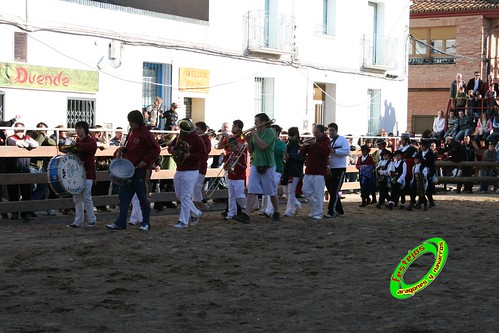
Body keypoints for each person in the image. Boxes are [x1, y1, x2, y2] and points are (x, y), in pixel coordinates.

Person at [106, 110, 161, 231]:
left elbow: (156, 149)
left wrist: (145, 161)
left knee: (142, 197)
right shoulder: (132, 132)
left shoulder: (145, 133)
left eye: (132, 122)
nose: (130, 124)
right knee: (124, 197)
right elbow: (129, 148)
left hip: (141, 170)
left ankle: (145, 222)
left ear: (137, 121)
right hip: (129, 169)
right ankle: (121, 222)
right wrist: (122, 151)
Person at [234, 113, 278, 223]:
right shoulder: (256, 133)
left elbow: (264, 146)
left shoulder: (270, 132)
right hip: (256, 163)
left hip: (268, 165)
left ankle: (276, 211)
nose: (255, 124)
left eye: (257, 122)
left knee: (271, 191)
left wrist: (255, 135)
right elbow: (252, 150)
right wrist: (249, 140)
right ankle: (247, 214)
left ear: (263, 122)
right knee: (251, 190)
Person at [168, 118, 206, 229]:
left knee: (185, 196)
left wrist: (190, 156)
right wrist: (172, 149)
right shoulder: (180, 137)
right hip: (180, 168)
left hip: (191, 170)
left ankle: (183, 221)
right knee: (180, 195)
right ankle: (196, 212)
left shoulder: (198, 140)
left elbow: (203, 156)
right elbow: (171, 147)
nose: (182, 131)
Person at [66, 121, 98, 228]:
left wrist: (77, 145)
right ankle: (78, 221)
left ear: (85, 129)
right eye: (76, 128)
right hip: (78, 174)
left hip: (88, 173)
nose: (77, 130)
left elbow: (90, 148)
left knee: (86, 196)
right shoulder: (78, 141)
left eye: (79, 128)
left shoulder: (91, 141)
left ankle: (92, 219)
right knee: (77, 197)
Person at [6, 122, 39, 220]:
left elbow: (36, 144)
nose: (17, 131)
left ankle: (26, 212)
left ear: (23, 130)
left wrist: (26, 143)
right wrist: (27, 144)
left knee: (26, 191)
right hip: (13, 167)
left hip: (25, 167)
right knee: (13, 191)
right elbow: (17, 143)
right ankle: (14, 212)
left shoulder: (27, 137)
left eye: (20, 130)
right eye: (16, 129)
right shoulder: (11, 137)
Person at [300, 124, 331, 220]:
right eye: (314, 132)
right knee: (305, 190)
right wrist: (305, 145)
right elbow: (302, 153)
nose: (315, 134)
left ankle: (318, 212)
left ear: (322, 133)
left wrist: (315, 144)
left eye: (317, 132)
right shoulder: (313, 141)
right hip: (309, 170)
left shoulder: (326, 141)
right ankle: (315, 208)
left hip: (320, 172)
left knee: (319, 193)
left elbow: (326, 152)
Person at [324, 123, 350, 218]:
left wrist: (335, 151)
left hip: (339, 167)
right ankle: (339, 210)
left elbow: (347, 151)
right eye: (329, 130)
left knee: (335, 190)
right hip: (330, 168)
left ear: (336, 130)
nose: (330, 132)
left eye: (332, 130)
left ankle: (331, 211)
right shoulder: (327, 140)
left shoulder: (342, 140)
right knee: (331, 189)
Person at [261, 124, 286, 218]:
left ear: (277, 132)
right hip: (267, 168)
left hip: (277, 168)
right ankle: (264, 209)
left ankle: (270, 210)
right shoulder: (268, 141)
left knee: (272, 189)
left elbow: (280, 153)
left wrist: (271, 145)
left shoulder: (281, 143)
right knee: (266, 189)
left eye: (273, 131)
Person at [223, 137, 247, 220]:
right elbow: (225, 166)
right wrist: (227, 167)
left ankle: (246, 208)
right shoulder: (228, 156)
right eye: (229, 147)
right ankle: (231, 213)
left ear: (236, 145)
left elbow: (244, 166)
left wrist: (237, 161)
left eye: (232, 147)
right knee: (231, 196)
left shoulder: (241, 154)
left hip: (239, 178)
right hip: (230, 177)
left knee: (239, 196)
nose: (230, 149)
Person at [283, 127, 304, 217]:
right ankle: (296, 204)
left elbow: (301, 159)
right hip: (287, 170)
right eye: (290, 135)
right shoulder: (287, 145)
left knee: (291, 191)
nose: (291, 137)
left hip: (295, 171)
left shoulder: (300, 147)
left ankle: (289, 211)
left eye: (293, 135)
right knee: (286, 191)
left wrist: (290, 156)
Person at [193, 121, 211, 212]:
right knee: (194, 188)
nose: (195, 131)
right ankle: (200, 205)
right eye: (195, 129)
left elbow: (205, 152)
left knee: (197, 187)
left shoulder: (206, 140)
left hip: (201, 167)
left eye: (198, 129)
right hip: (194, 167)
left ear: (203, 131)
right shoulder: (196, 138)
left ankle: (198, 206)